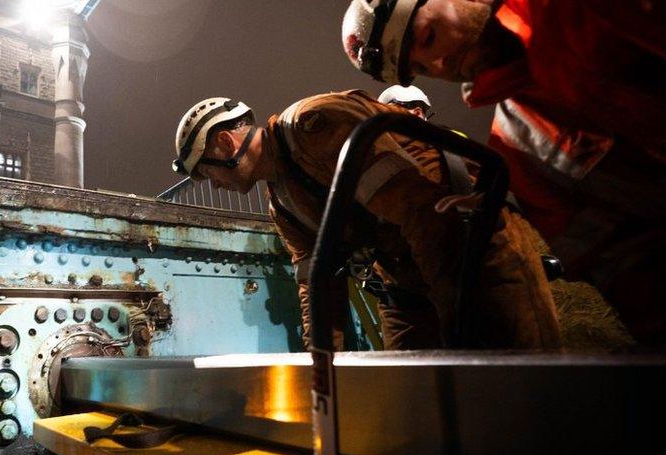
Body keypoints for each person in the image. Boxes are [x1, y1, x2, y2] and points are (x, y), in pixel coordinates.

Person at [341, 0, 666, 345]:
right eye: (422, 67)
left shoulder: (570, 13)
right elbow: (620, 265)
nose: (440, 64)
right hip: (414, 296)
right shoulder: (516, 148)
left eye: (429, 37)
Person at [171, 94, 559, 351]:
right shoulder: (283, 204)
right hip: (409, 280)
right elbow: (317, 283)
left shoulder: (314, 128)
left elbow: (422, 212)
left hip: (473, 252)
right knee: (419, 408)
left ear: (224, 145)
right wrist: (323, 359)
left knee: (520, 397)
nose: (214, 186)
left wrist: (454, 315)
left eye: (206, 174)